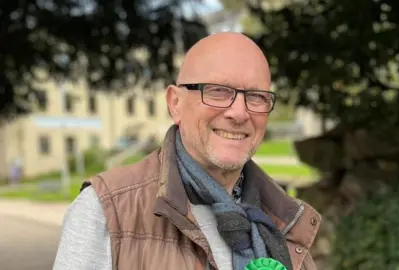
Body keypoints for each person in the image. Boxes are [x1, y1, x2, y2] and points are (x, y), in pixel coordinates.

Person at [53, 32, 321, 270]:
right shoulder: (106, 211)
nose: (239, 113)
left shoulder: (286, 218)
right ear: (175, 103)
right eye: (218, 91)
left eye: (256, 96)